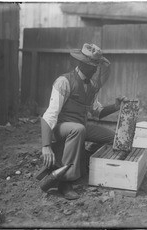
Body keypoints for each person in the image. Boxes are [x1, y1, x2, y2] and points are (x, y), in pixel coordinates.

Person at [40, 43, 126, 200]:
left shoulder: (92, 86)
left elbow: (97, 112)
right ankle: (64, 182)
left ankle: (84, 160)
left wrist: (115, 106)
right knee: (78, 129)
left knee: (114, 139)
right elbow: (49, 115)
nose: (95, 69)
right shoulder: (64, 82)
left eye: (97, 65)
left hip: (81, 127)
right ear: (81, 64)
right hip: (61, 128)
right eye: (92, 66)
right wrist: (46, 146)